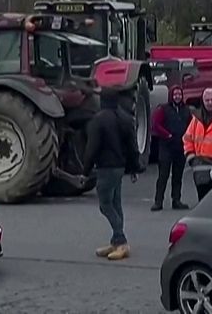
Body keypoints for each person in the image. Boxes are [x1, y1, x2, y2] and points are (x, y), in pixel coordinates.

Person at [79, 86, 143, 261]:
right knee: (116, 203)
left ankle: (121, 240)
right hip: (120, 168)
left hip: (105, 168)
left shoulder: (98, 120)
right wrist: (134, 168)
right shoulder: (125, 118)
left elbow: (91, 148)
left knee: (105, 204)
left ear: (103, 100)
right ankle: (116, 242)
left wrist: (85, 172)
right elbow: (132, 146)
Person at [150, 86, 191, 211]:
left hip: (180, 146)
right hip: (166, 146)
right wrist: (167, 135)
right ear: (171, 95)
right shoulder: (163, 109)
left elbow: (191, 124)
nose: (177, 96)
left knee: (178, 176)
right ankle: (158, 201)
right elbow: (156, 124)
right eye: (175, 94)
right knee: (163, 175)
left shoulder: (186, 110)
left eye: (179, 94)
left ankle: (176, 200)